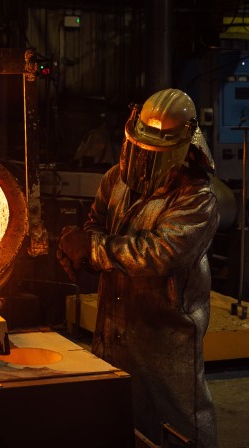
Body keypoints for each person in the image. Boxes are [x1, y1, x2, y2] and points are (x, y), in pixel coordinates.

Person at [57, 88, 218, 447]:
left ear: (183, 146)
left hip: (165, 341)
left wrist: (94, 249)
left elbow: (160, 253)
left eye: (158, 152)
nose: (146, 158)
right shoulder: (117, 179)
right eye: (142, 147)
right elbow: (95, 224)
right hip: (114, 329)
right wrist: (80, 252)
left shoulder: (196, 199)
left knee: (176, 429)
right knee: (119, 423)